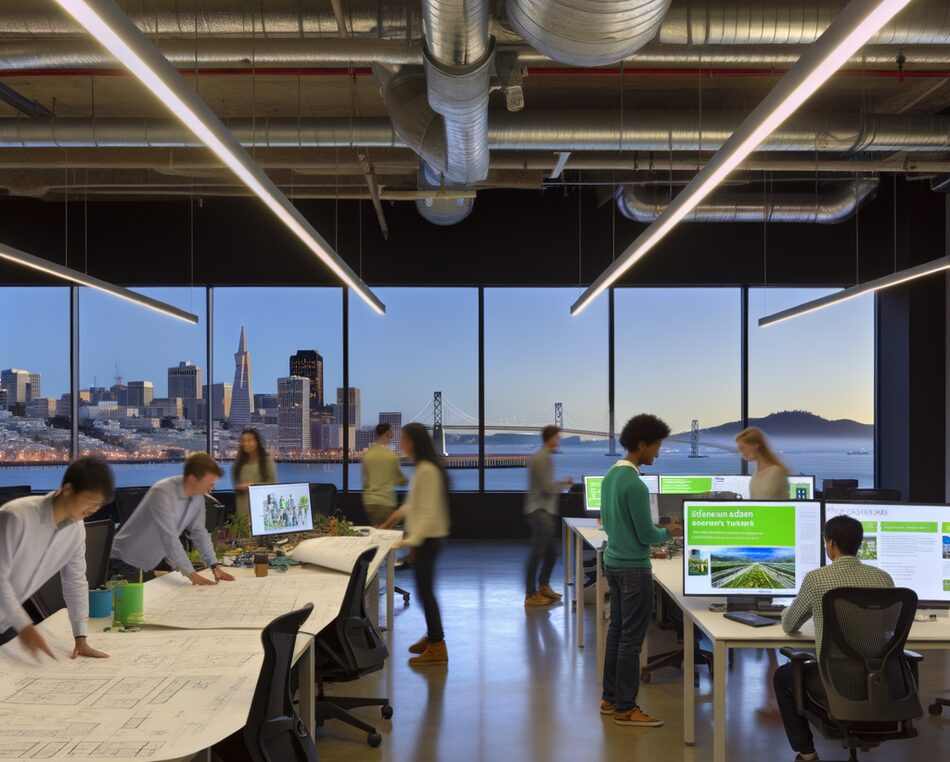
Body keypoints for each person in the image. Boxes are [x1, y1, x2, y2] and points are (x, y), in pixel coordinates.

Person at [774, 515, 894, 762]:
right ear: (859, 544)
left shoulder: (817, 579)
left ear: (830, 544)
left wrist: (788, 609)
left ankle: (807, 754)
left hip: (833, 682)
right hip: (878, 681)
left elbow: (789, 625)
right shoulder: (884, 579)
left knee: (783, 676)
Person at [600, 414, 677, 728]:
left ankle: (610, 698)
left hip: (614, 563)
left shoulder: (610, 476)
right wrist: (670, 531)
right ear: (642, 444)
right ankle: (626, 708)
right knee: (631, 641)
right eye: (656, 446)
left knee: (617, 633)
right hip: (634, 569)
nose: (657, 453)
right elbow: (647, 535)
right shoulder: (635, 484)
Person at [0, 456, 114, 660]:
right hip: (15, 621)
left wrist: (81, 637)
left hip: (7, 622)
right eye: (90, 501)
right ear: (68, 490)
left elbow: (75, 580)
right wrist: (25, 626)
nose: (92, 510)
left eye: (98, 505)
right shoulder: (16, 516)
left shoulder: (76, 530)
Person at [381, 423, 450, 667]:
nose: (402, 444)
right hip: (427, 538)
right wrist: (393, 518)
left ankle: (438, 645)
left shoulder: (428, 470)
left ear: (415, 442)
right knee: (424, 592)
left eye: (405, 440)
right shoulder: (423, 469)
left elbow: (428, 511)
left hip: (429, 539)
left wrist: (408, 541)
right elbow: (413, 503)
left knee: (425, 593)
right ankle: (433, 637)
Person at [110, 453, 235, 586]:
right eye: (210, 483)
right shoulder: (162, 492)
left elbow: (199, 532)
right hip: (127, 560)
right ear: (193, 479)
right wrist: (192, 575)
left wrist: (214, 565)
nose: (212, 488)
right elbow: (169, 537)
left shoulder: (197, 496)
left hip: (150, 562)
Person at [524, 425, 573, 607]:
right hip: (540, 511)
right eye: (558, 438)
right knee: (537, 553)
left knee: (551, 553)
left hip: (542, 510)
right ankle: (530, 595)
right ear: (550, 438)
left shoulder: (543, 457)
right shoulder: (543, 458)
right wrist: (564, 484)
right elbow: (546, 488)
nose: (559, 441)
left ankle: (543, 586)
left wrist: (559, 484)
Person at [362, 422, 408, 527]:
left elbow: (365, 480)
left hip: (370, 502)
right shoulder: (390, 456)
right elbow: (400, 480)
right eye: (391, 431)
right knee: (385, 534)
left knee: (377, 530)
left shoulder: (368, 455)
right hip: (385, 501)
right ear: (387, 433)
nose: (393, 433)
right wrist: (407, 480)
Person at [232, 428, 277, 523]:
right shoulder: (238, 464)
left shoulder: (266, 462)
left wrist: (252, 486)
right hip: (243, 510)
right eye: (243, 441)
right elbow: (236, 486)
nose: (246, 443)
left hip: (262, 509)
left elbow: (273, 485)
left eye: (249, 440)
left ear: (257, 442)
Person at [736, 426, 790, 499]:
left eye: (742, 448)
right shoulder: (756, 474)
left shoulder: (776, 472)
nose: (741, 452)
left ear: (755, 445)